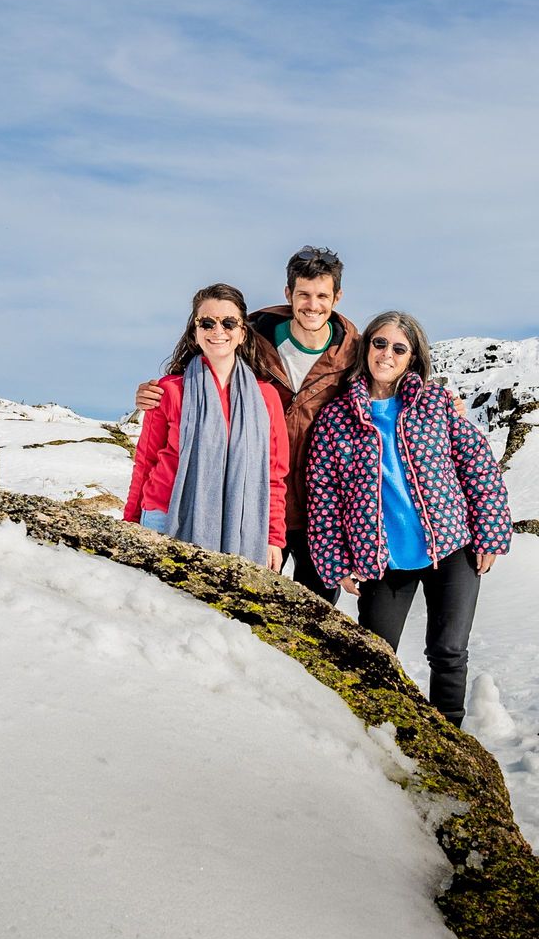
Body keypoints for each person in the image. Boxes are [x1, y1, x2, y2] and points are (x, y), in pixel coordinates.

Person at [303, 311, 513, 728]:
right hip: (381, 561)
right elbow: (322, 498)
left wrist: (489, 535)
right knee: (377, 653)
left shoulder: (435, 405)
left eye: (399, 348)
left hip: (451, 550)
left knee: (448, 650)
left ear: (412, 358)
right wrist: (337, 563)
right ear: (366, 348)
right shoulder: (336, 419)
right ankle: (379, 738)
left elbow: (478, 467)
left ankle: (449, 738)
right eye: (380, 343)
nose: (387, 354)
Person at [135, 247, 359, 600]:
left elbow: (387, 389)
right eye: (303, 294)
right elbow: (147, 460)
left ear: (337, 297)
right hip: (203, 509)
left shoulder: (355, 355)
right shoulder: (252, 343)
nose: (312, 305)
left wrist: (439, 401)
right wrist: (130, 523)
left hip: (310, 509)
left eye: (321, 296)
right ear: (289, 294)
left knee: (300, 617)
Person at [123, 284, 290, 570]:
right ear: (195, 331)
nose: (217, 331)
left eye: (228, 323)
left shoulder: (266, 397)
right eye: (207, 323)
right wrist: (129, 522)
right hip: (165, 517)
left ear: (242, 333)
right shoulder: (169, 391)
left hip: (242, 524)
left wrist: (274, 536)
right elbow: (146, 461)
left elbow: (274, 475)